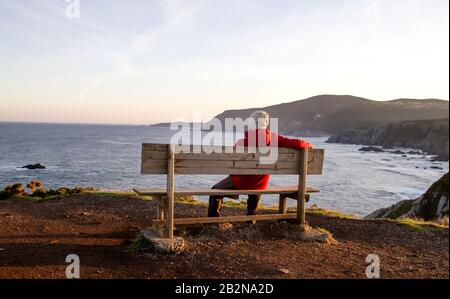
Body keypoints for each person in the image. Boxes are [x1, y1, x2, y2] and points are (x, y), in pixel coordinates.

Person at [207, 110, 313, 218]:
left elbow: (232, 163)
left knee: (215, 190)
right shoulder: (274, 139)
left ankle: (213, 220)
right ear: (266, 123)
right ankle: (251, 220)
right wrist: (308, 145)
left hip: (241, 182)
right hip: (260, 183)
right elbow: (297, 143)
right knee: (255, 190)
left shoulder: (242, 142)